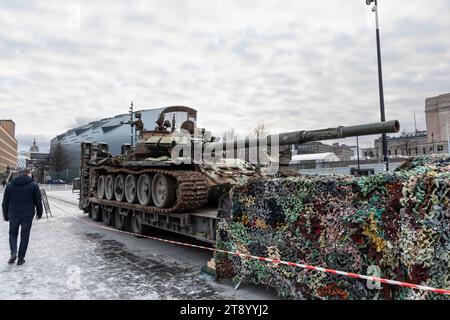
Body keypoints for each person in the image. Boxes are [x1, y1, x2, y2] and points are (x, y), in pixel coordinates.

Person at [2, 169, 43, 265]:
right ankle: (21, 258)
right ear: (28, 174)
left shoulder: (10, 185)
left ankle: (13, 252)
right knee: (24, 235)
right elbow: (38, 201)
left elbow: (5, 202)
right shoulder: (33, 185)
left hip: (14, 213)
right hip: (28, 214)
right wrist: (39, 213)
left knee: (12, 234)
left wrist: (5, 215)